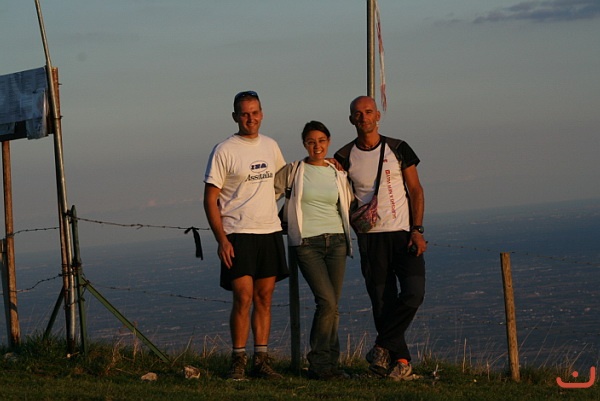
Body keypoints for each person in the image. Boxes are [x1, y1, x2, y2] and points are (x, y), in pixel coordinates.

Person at [334, 96, 427, 381]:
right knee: (381, 302)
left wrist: (417, 229)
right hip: (370, 239)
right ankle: (400, 362)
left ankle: (380, 347)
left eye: (368, 112)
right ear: (351, 119)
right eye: (357, 113)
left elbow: (415, 190)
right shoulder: (343, 156)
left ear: (378, 116)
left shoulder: (398, 148)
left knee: (413, 293)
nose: (363, 117)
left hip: (403, 235)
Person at [203, 90, 289, 381]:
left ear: (262, 114)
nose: (250, 118)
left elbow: (283, 182)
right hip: (238, 233)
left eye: (255, 113)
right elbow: (210, 198)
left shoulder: (271, 146)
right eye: (244, 114)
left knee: (265, 298)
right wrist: (222, 239)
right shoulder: (224, 150)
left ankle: (261, 361)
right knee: (243, 297)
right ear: (235, 117)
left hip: (269, 231)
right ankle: (237, 360)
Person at [275, 121, 353, 380]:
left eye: (321, 140)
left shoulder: (337, 172)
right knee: (327, 302)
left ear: (328, 141)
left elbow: (349, 201)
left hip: (337, 241)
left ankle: (330, 365)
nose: (317, 146)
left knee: (332, 306)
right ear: (304, 144)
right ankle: (319, 364)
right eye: (311, 141)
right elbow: (268, 194)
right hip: (307, 243)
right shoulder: (293, 170)